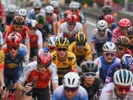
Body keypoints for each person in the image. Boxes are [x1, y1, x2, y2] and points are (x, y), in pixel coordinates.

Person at [0, 33, 28, 99]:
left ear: (18, 47)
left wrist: (23, 84)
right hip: (5, 72)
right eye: (10, 48)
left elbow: (25, 69)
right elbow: (1, 70)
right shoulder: (2, 51)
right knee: (3, 95)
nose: (13, 50)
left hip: (17, 71)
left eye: (15, 48)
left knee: (18, 92)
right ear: (7, 47)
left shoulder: (23, 51)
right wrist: (2, 84)